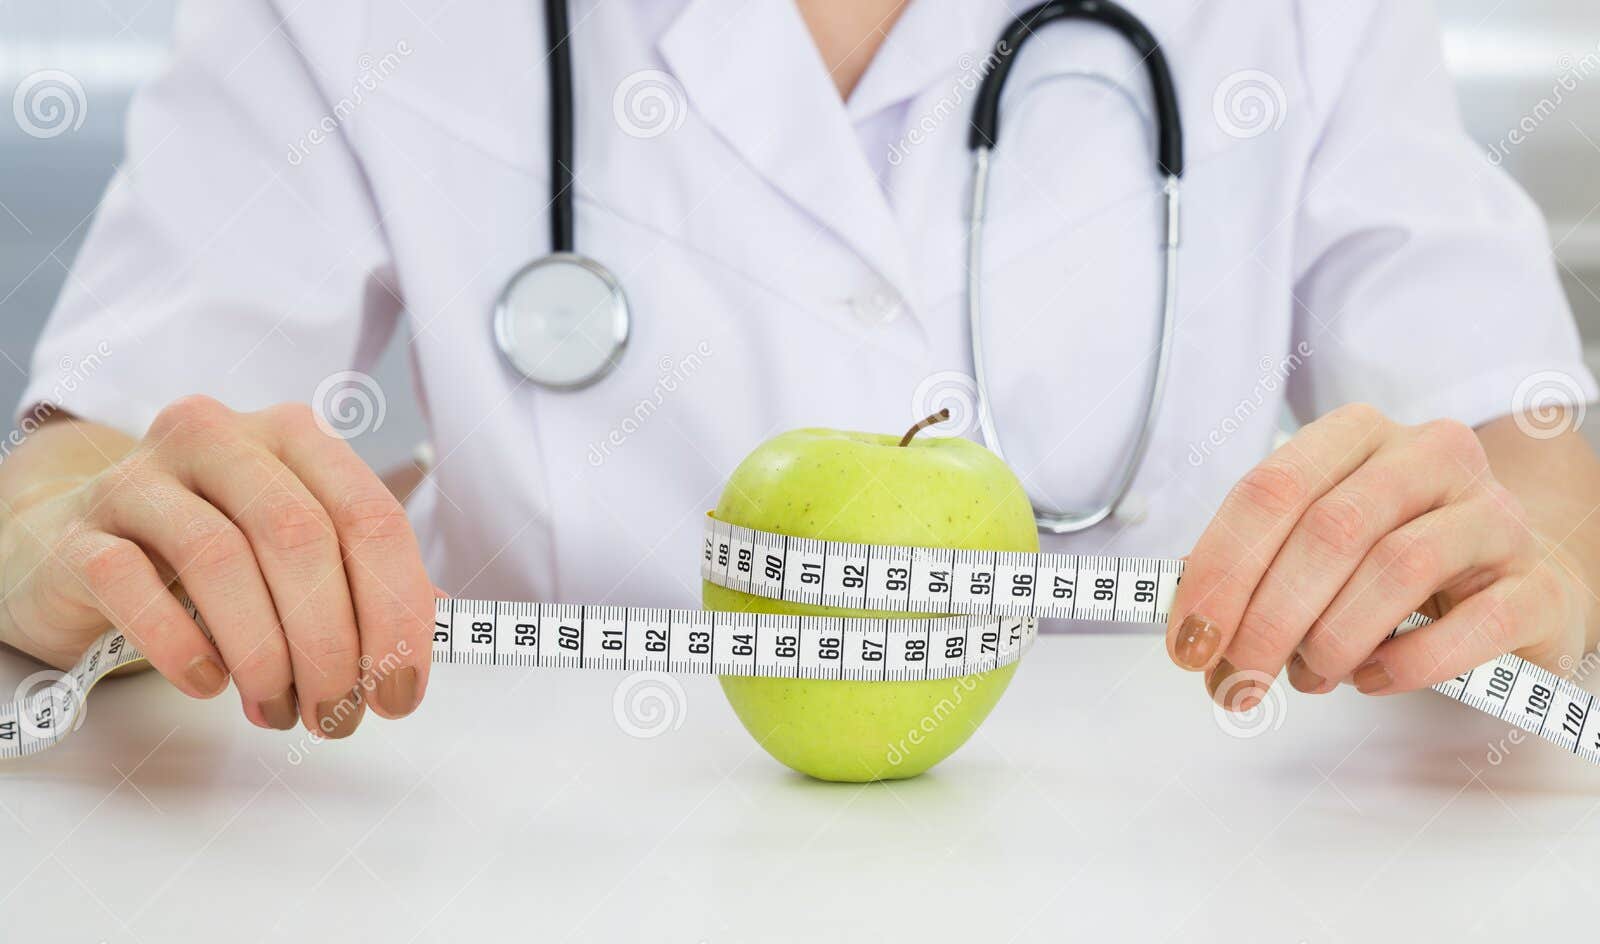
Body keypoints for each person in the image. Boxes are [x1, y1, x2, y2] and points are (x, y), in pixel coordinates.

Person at [2, 0, 1597, 740]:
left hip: (1163, 905)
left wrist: (1520, 566)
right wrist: (84, 546)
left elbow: (1526, 465)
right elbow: (87, 476)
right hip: (504, 909)